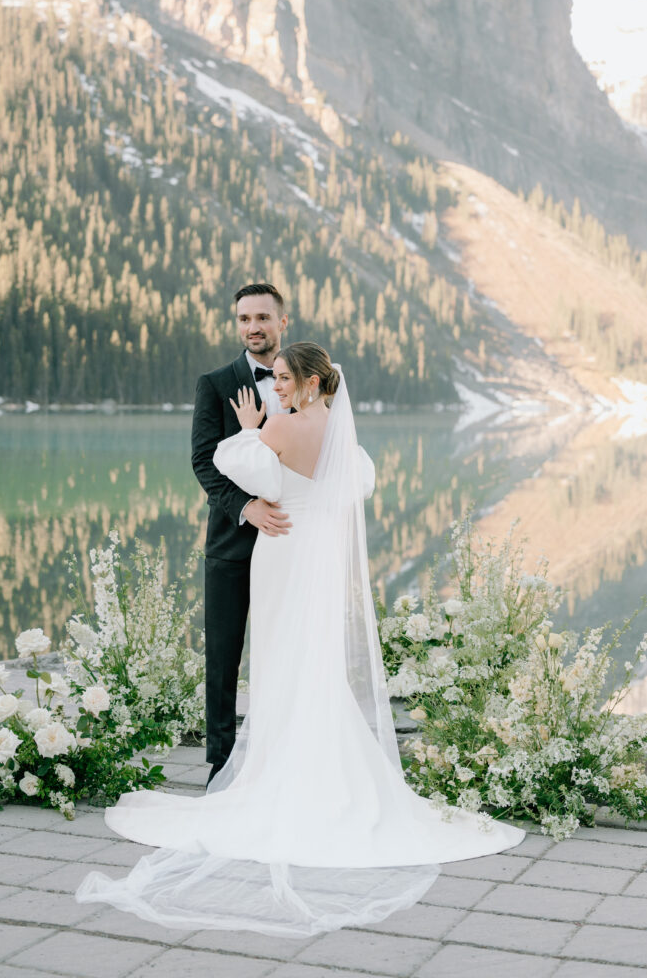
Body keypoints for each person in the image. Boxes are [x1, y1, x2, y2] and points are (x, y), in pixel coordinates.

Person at [76, 341, 525, 937]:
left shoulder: (280, 428)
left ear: (312, 382)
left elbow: (233, 462)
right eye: (277, 378)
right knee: (315, 662)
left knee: (283, 662)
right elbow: (360, 483)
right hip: (319, 555)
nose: (278, 386)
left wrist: (251, 426)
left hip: (284, 553)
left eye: (286, 378)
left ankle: (280, 770)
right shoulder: (342, 435)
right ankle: (326, 767)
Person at [190, 282, 292, 785]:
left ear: (282, 323)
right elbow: (204, 462)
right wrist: (246, 507)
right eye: (244, 319)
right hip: (231, 543)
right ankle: (221, 765)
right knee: (224, 656)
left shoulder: (306, 381)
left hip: (292, 542)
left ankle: (283, 757)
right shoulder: (215, 383)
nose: (253, 327)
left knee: (287, 651)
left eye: (262, 318)